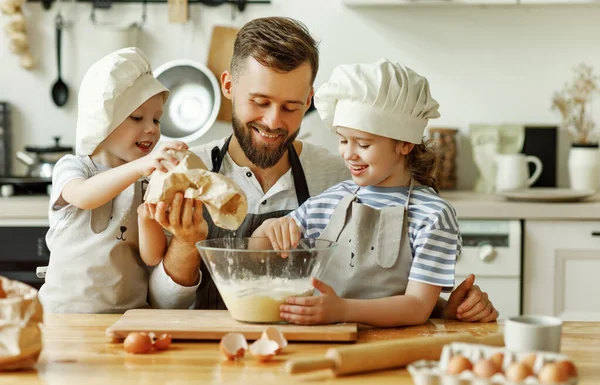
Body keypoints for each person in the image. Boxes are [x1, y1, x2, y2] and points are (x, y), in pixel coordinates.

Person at [146, 17, 498, 323]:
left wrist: (444, 308)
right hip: (205, 353)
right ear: (228, 86)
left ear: (310, 100)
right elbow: (158, 305)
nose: (273, 121)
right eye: (260, 101)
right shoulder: (182, 172)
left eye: (290, 107)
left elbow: (375, 290)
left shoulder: (343, 178)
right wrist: (186, 243)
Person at [252, 59, 461, 327]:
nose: (348, 154)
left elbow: (418, 307)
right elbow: (257, 253)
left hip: (394, 348)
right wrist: (270, 229)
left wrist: (341, 310)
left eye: (363, 143)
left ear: (405, 144)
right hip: (323, 341)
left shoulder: (432, 216)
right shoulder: (331, 201)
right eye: (342, 140)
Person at [38, 47, 187, 313]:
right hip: (63, 319)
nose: (151, 128)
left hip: (128, 320)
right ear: (102, 119)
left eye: (157, 119)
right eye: (137, 117)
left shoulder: (147, 181)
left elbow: (152, 257)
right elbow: (84, 196)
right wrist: (141, 167)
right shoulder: (73, 167)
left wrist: (148, 214)